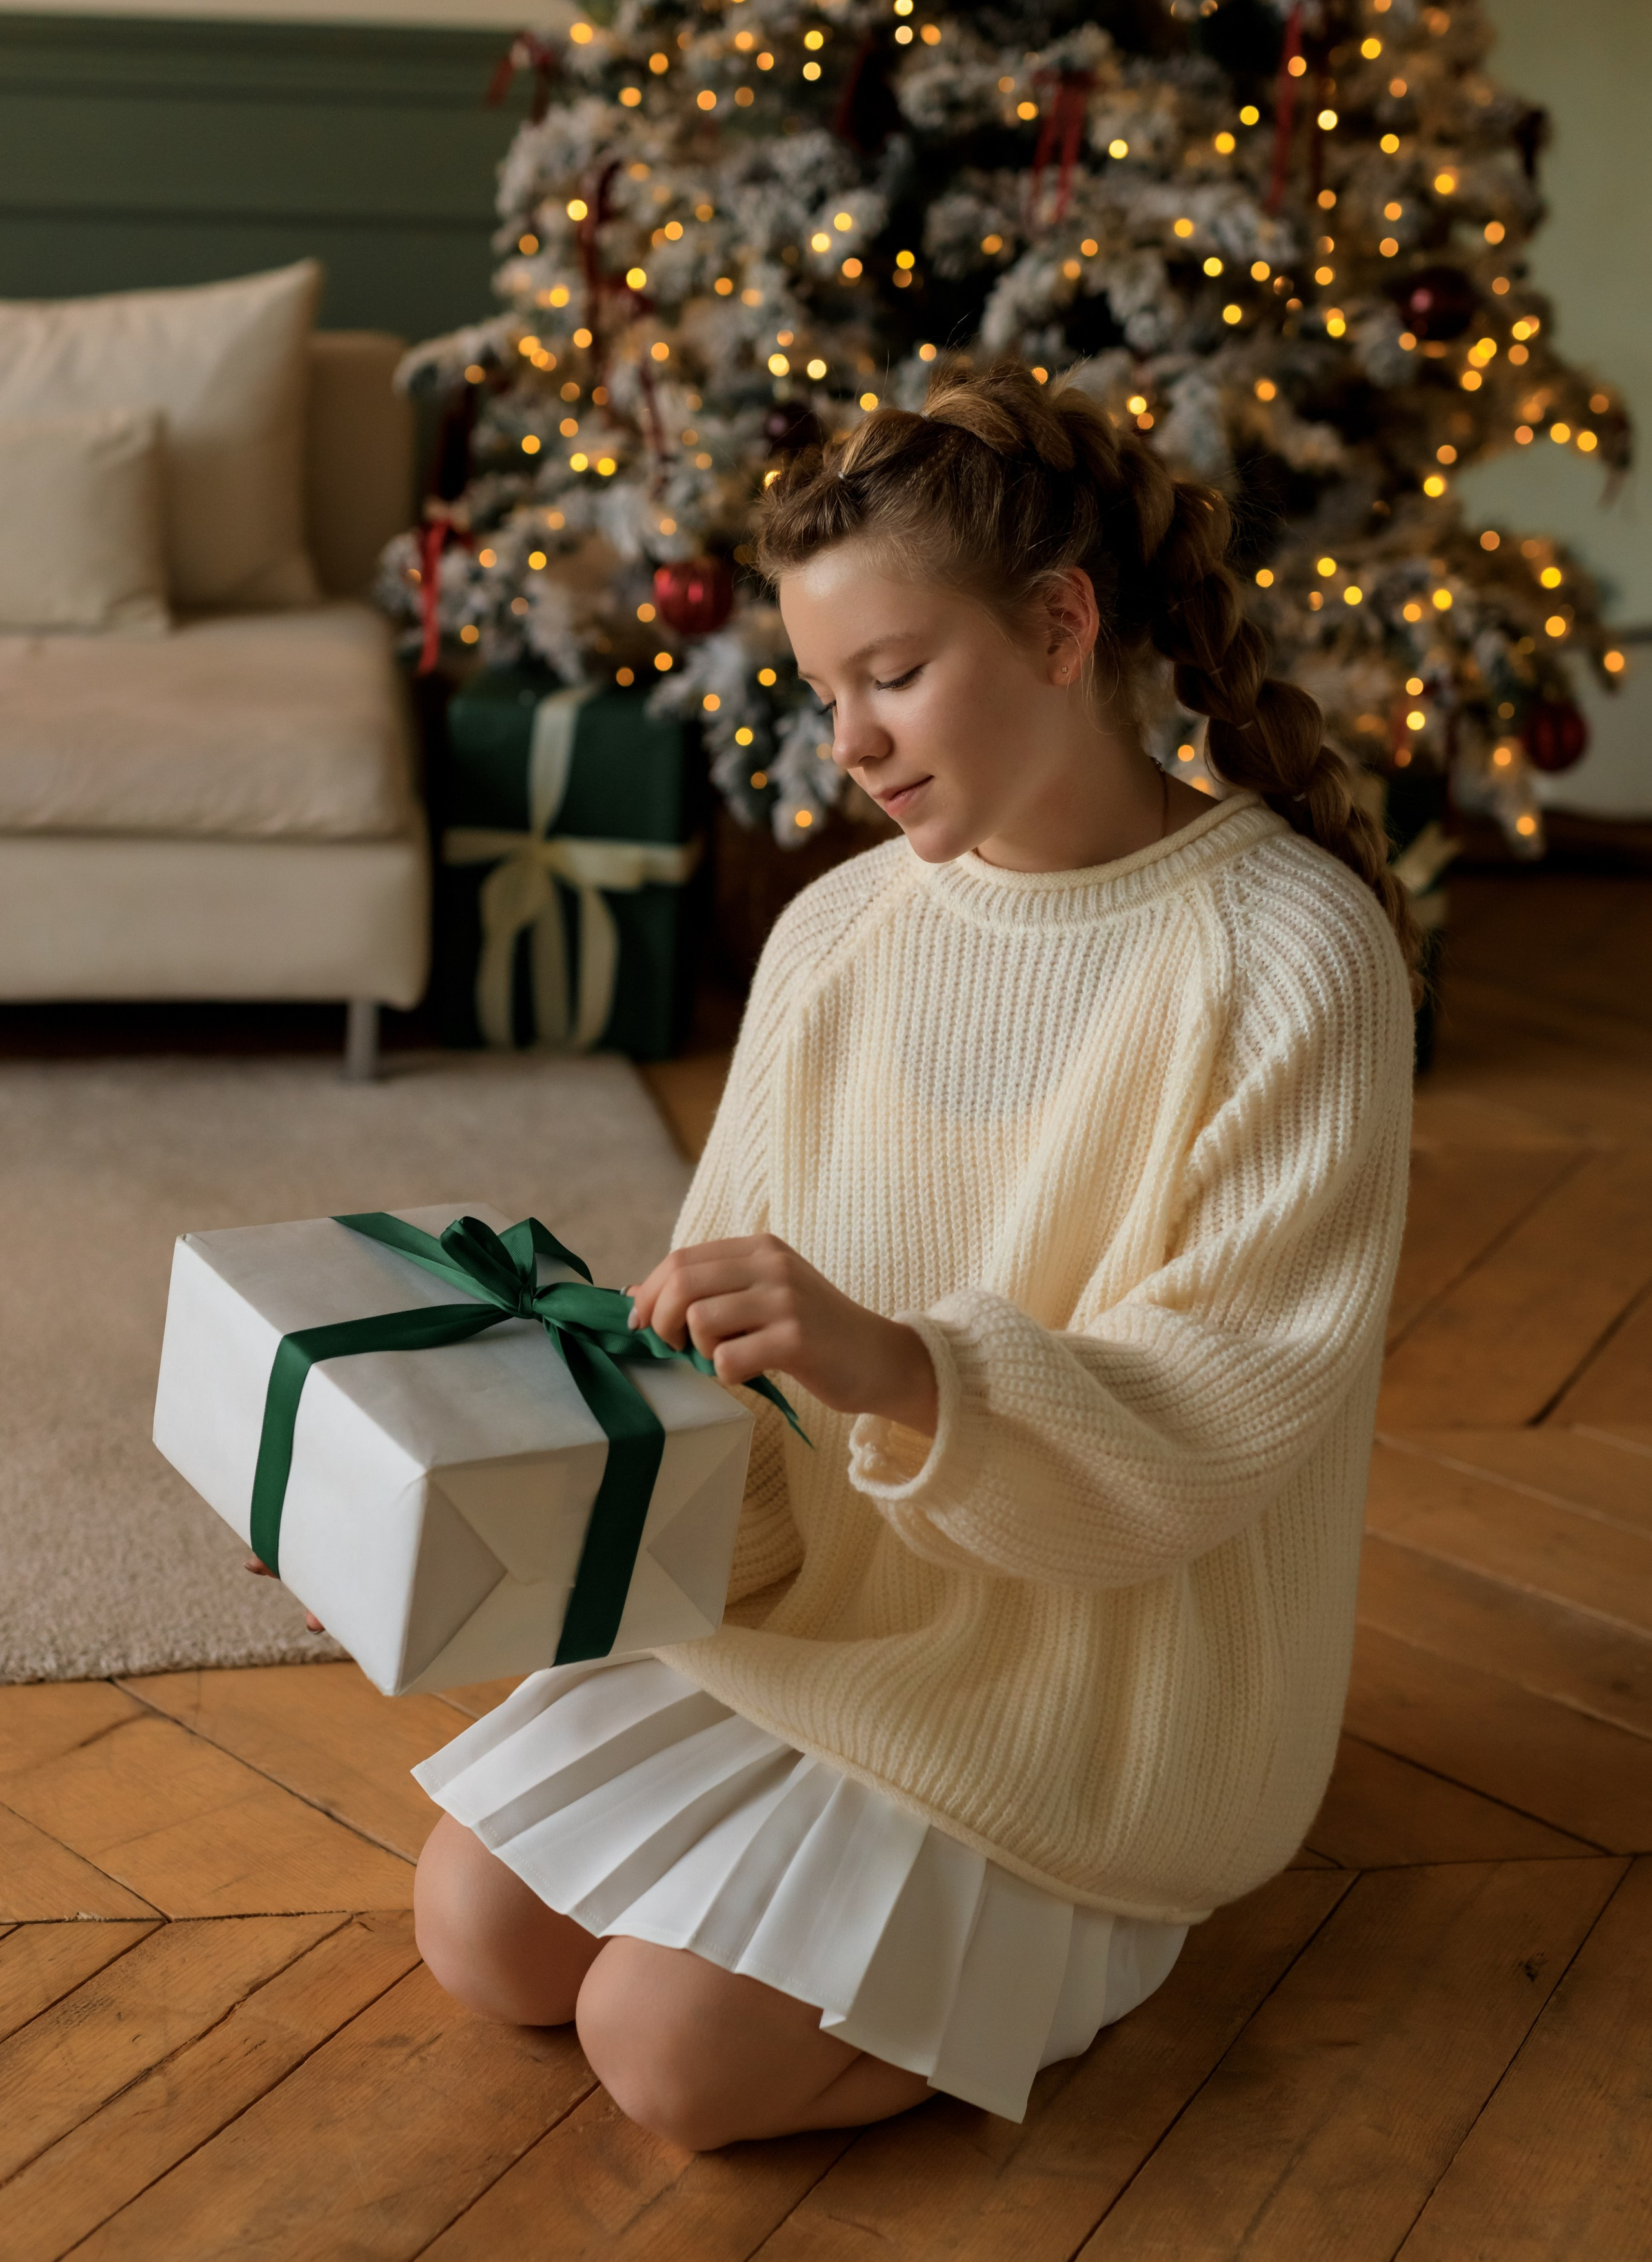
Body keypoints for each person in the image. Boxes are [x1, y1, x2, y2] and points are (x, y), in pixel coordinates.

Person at [408, 356, 1418, 2148]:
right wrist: (439, 1486)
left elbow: (1224, 1400)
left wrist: (903, 1368)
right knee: (478, 1933)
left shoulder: (1292, 951)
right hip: (835, 1612)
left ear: (1059, 626)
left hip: (1098, 1674)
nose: (850, 742)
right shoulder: (833, 937)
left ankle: (1106, 1931)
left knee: (668, 2054)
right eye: (826, 690)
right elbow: (726, 1353)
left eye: (893, 675)